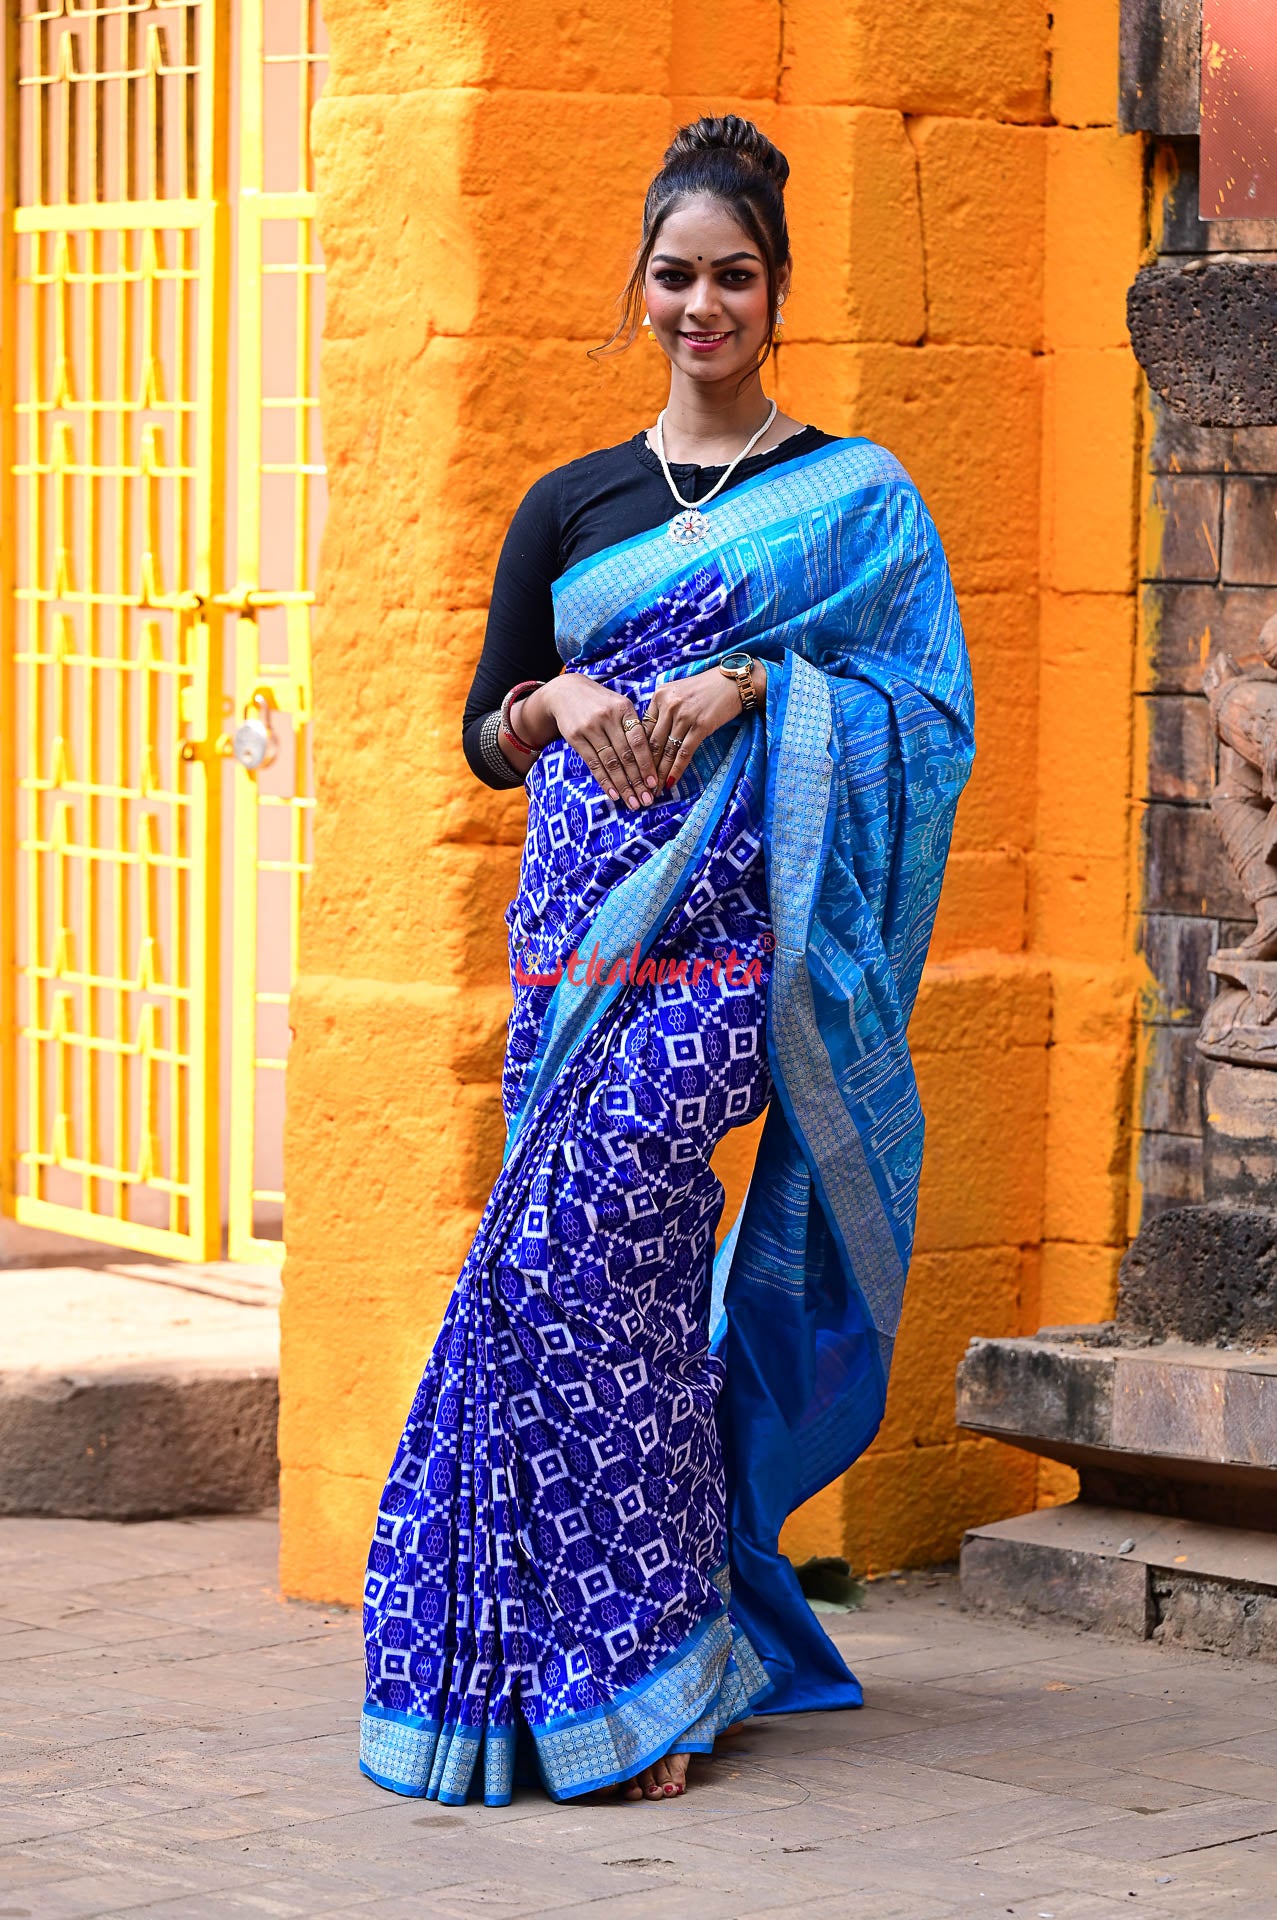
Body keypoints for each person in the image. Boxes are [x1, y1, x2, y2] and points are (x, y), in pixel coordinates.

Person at [359, 114, 974, 1811]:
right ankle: (595, 1670)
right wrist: (551, 700)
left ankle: (632, 1667)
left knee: (587, 1255)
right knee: (565, 1294)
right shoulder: (574, 501)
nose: (701, 304)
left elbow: (929, 710)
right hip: (571, 957)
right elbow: (486, 730)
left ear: (775, 293)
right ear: (638, 290)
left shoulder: (848, 500)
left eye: (733, 277)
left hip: (725, 965)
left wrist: (770, 685)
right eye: (673, 277)